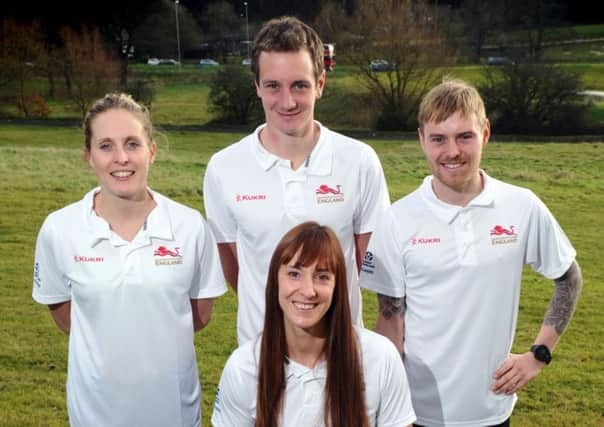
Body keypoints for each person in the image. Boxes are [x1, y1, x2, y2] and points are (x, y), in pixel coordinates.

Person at [360, 78, 583, 427]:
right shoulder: (397, 219)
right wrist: (386, 403)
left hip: (491, 409)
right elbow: (390, 319)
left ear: (486, 133)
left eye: (464, 136)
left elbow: (569, 278)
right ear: (421, 139)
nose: (452, 151)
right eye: (438, 138)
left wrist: (538, 355)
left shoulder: (521, 205)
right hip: (416, 412)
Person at [32, 93, 227, 426]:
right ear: (88, 156)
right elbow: (66, 316)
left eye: (132, 144)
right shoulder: (59, 229)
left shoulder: (189, 224)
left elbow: (198, 315)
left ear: (152, 151)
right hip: (94, 415)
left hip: (174, 413)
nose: (121, 158)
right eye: (105, 146)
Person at [203, 16, 390, 345]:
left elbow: (368, 265)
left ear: (320, 83)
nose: (287, 102)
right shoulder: (223, 167)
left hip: (340, 353)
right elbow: (238, 272)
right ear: (257, 86)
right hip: (261, 355)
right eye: (273, 85)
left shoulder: (359, 161)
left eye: (299, 85)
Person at [211, 222, 416, 427]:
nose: (308, 291)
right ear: (275, 280)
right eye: (294, 274)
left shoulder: (380, 358)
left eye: (322, 277)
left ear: (338, 286)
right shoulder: (243, 367)